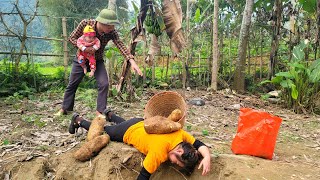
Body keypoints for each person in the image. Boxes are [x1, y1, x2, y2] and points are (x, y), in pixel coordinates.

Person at [69, 110, 211, 180]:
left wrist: (207, 157)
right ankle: (78, 120)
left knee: (125, 123)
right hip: (128, 131)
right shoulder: (159, 152)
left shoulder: (180, 134)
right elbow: (143, 176)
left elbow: (199, 144)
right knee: (104, 131)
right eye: (177, 163)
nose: (174, 164)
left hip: (140, 122)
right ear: (179, 151)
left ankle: (110, 114)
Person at [55, 9, 143, 117]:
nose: (112, 28)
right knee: (72, 83)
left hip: (97, 61)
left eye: (113, 26)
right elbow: (72, 38)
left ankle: (100, 111)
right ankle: (65, 108)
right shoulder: (85, 24)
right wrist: (84, 48)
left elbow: (120, 44)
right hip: (81, 59)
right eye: (110, 26)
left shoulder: (111, 32)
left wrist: (132, 61)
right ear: (101, 22)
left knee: (104, 83)